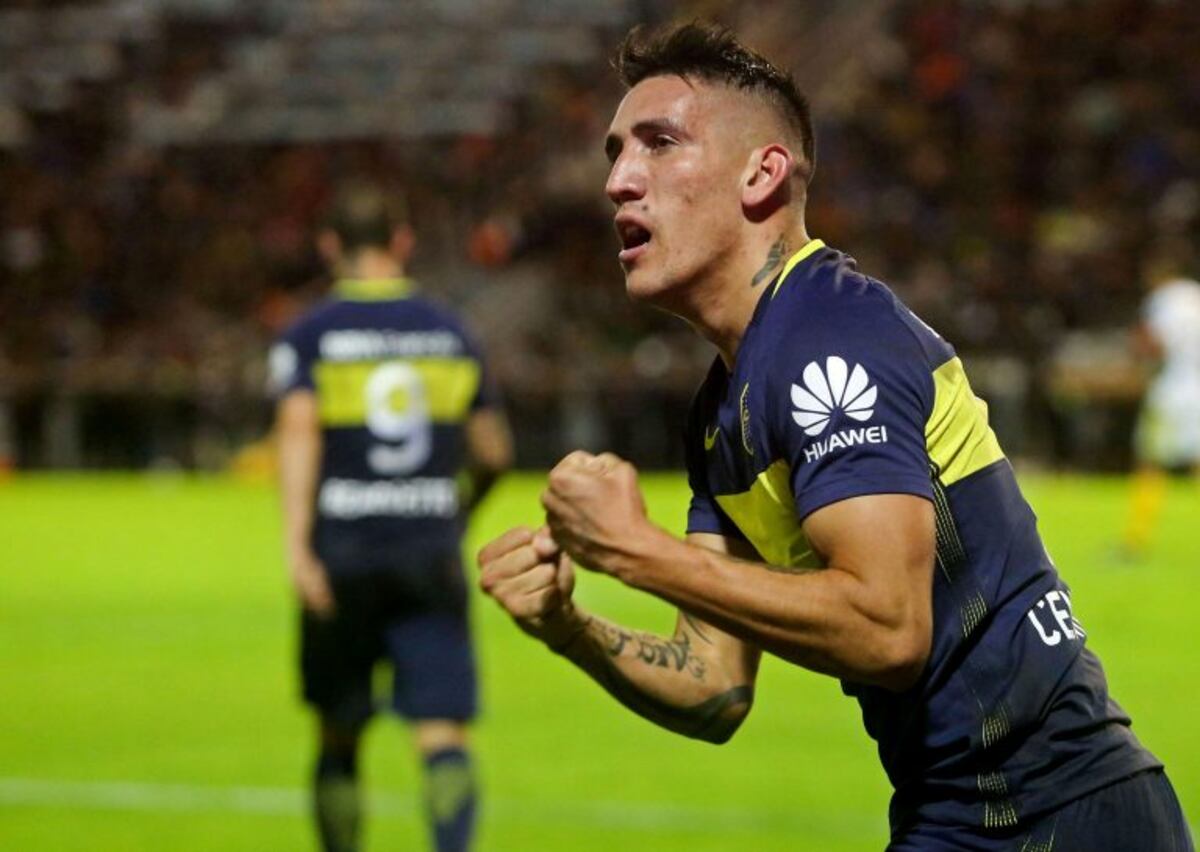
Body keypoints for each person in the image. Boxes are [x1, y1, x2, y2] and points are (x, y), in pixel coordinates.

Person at [476, 22, 1192, 851]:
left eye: (659, 144)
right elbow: (713, 687)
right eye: (613, 153)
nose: (618, 182)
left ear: (762, 174)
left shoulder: (831, 335)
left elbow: (888, 628)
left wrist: (634, 549)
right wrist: (571, 624)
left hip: (1052, 815)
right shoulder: (722, 412)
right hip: (971, 815)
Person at [271, 182, 513, 852]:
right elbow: (494, 450)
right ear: (402, 240)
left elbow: (296, 438)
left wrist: (298, 549)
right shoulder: (451, 331)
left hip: (341, 556)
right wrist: (457, 508)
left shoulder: (310, 334)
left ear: (329, 247)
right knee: (442, 733)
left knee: (338, 731)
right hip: (427, 553)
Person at [1120, 242, 1200, 559]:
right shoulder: (1195, 296)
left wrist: (1137, 349)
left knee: (1150, 462)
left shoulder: (1162, 300)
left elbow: (1154, 345)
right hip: (1199, 389)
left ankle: (1136, 541)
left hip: (1171, 391)